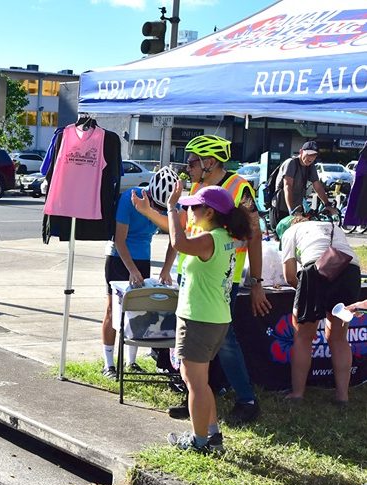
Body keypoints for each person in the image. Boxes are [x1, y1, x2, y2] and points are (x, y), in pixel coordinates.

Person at [178, 134, 268, 425]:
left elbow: (254, 236)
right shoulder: (198, 186)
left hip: (222, 279)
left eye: (192, 161)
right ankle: (197, 394)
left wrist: (257, 281)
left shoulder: (238, 187)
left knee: (224, 341)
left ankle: (246, 399)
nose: (187, 166)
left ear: (210, 162)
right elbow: (186, 230)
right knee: (200, 343)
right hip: (193, 275)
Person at [166, 185, 253, 453]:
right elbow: (181, 235)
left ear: (209, 212)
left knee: (195, 384)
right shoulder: (224, 236)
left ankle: (199, 441)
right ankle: (212, 435)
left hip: (199, 320)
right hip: (215, 318)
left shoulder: (209, 239)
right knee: (201, 383)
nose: (188, 211)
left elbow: (178, 242)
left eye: (193, 207)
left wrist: (171, 207)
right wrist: (153, 212)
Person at [100, 167, 180, 378]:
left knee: (139, 310)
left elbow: (175, 239)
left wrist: (166, 269)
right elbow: (119, 239)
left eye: (162, 208)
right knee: (113, 310)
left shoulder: (174, 204)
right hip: (119, 256)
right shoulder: (131, 197)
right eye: (155, 206)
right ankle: (108, 364)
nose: (157, 211)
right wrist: (132, 270)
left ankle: (131, 362)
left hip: (143, 255)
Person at [279, 215, 361, 403]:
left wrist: (305, 299)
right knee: (339, 338)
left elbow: (290, 276)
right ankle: (342, 396)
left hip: (315, 271)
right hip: (350, 272)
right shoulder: (332, 225)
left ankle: (298, 394)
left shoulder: (290, 232)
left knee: (303, 337)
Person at [271, 141, 335, 229]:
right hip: (281, 208)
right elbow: (287, 186)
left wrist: (327, 204)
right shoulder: (291, 163)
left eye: (314, 155)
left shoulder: (310, 166)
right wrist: (291, 210)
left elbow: (317, 185)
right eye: (309, 154)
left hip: (297, 209)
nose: (311, 158)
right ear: (301, 152)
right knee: (282, 239)